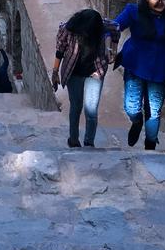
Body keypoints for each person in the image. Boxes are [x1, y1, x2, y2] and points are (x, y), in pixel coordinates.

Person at [112, 0, 165, 150]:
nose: (160, 2)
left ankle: (150, 143)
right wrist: (108, 44)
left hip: (160, 68)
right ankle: (136, 122)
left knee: (154, 110)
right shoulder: (133, 12)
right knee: (131, 107)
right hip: (135, 63)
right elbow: (115, 27)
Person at [51, 9, 119, 148]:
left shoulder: (101, 26)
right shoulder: (68, 29)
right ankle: (74, 140)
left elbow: (116, 29)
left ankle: (89, 142)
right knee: (76, 107)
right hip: (74, 73)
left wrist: (113, 50)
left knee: (91, 110)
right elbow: (60, 50)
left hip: (95, 72)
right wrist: (55, 72)